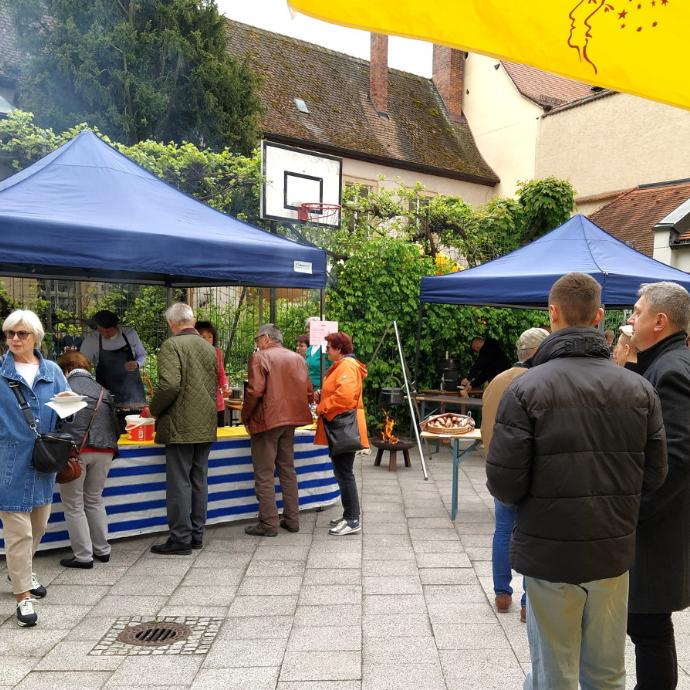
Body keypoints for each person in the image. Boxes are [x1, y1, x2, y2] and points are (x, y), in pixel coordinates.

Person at [486, 272, 667, 690]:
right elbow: (655, 474)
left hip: (551, 555)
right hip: (611, 552)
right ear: (601, 316)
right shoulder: (639, 389)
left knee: (555, 674)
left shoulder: (526, 388)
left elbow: (505, 485)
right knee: (607, 674)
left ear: (552, 314)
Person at [627, 281, 690, 689]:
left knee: (649, 627)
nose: (630, 319)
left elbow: (680, 456)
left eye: (636, 311)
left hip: (657, 529)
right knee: (647, 627)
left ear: (659, 321)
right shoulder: (664, 363)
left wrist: (634, 511)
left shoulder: (671, 370)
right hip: (660, 525)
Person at [0, 309, 70, 627]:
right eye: (10, 333)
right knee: (19, 533)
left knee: (39, 527)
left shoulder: (52, 371)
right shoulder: (0, 374)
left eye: (21, 334)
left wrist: (63, 437)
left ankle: (22, 573)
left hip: (43, 462)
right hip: (8, 463)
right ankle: (23, 598)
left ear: (36, 338)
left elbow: (69, 411)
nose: (14, 339)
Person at [480, 327, 549, 623]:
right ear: (537, 352)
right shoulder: (539, 381)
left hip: (498, 467)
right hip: (530, 470)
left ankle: (501, 594)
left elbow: (485, 424)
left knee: (503, 530)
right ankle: (526, 602)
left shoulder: (496, 380)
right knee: (531, 534)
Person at [149, 303, 217, 555]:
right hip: (206, 424)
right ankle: (197, 535)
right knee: (199, 480)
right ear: (193, 319)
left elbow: (169, 386)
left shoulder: (172, 345)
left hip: (180, 425)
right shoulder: (209, 348)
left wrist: (154, 409)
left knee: (179, 484)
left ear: (171, 323)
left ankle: (180, 538)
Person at [241, 324, 313, 536]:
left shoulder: (260, 357)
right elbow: (308, 392)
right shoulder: (298, 358)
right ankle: (292, 519)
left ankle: (269, 523)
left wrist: (245, 415)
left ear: (265, 338)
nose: (256, 344)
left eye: (257, 339)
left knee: (264, 474)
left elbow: (254, 391)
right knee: (287, 469)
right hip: (290, 420)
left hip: (267, 421)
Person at [55, 351, 119, 569]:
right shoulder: (103, 391)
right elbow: (114, 425)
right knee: (94, 499)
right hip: (105, 450)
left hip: (75, 453)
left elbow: (57, 425)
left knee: (74, 505)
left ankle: (83, 556)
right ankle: (103, 549)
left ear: (65, 369)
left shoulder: (64, 389)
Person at [314, 331, 369, 536]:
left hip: (343, 427)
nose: (326, 350)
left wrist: (322, 407)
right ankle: (349, 514)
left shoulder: (346, 366)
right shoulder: (344, 365)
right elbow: (339, 392)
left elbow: (344, 397)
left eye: (328, 347)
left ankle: (353, 519)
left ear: (338, 349)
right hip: (342, 426)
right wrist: (323, 395)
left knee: (344, 473)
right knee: (343, 472)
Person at [80, 310, 147, 413]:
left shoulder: (130, 334)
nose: (105, 334)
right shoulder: (91, 339)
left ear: (116, 326)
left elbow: (142, 355)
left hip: (132, 388)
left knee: (136, 419)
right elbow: (82, 364)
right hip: (105, 389)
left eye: (108, 331)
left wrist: (137, 363)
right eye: (101, 331)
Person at [195, 321, 229, 428]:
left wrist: (225, 387)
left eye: (210, 337)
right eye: (203, 337)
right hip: (198, 405)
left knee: (219, 437)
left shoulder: (217, 352)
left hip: (217, 404)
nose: (207, 340)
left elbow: (221, 374)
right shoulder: (190, 353)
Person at [304, 316, 324, 388]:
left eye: (310, 328)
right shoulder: (310, 348)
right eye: (307, 327)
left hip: (322, 388)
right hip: (310, 388)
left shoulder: (326, 348)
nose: (307, 330)